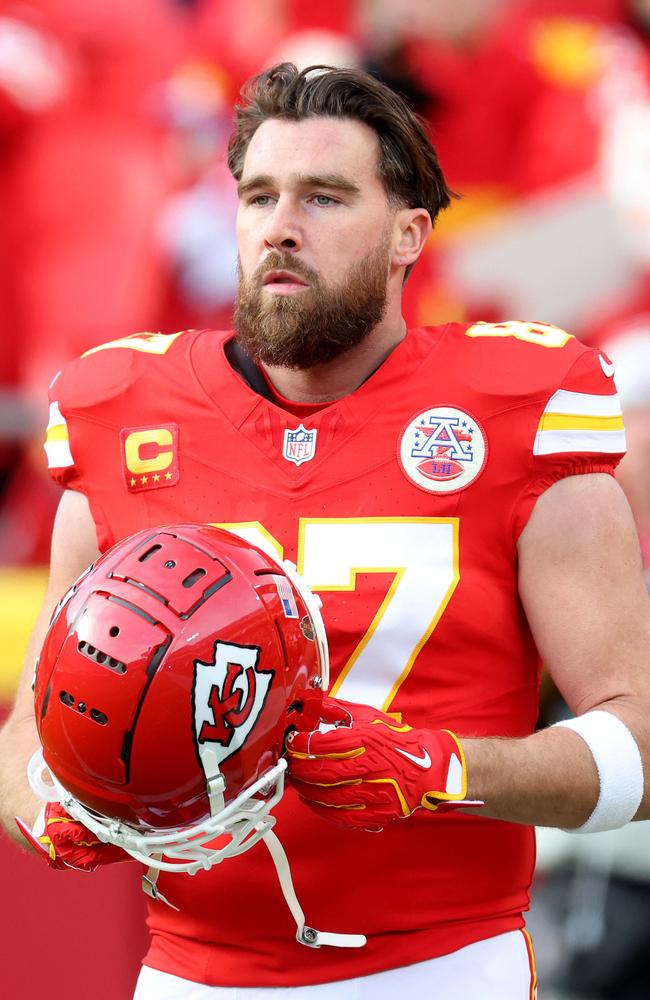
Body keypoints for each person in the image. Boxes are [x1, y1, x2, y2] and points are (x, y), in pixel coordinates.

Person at [1, 62, 649, 1000]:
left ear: (407, 234)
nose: (281, 225)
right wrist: (48, 807)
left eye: (325, 196)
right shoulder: (122, 410)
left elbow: (637, 741)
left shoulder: (518, 405)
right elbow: (30, 725)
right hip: (189, 973)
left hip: (441, 966)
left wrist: (446, 768)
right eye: (258, 195)